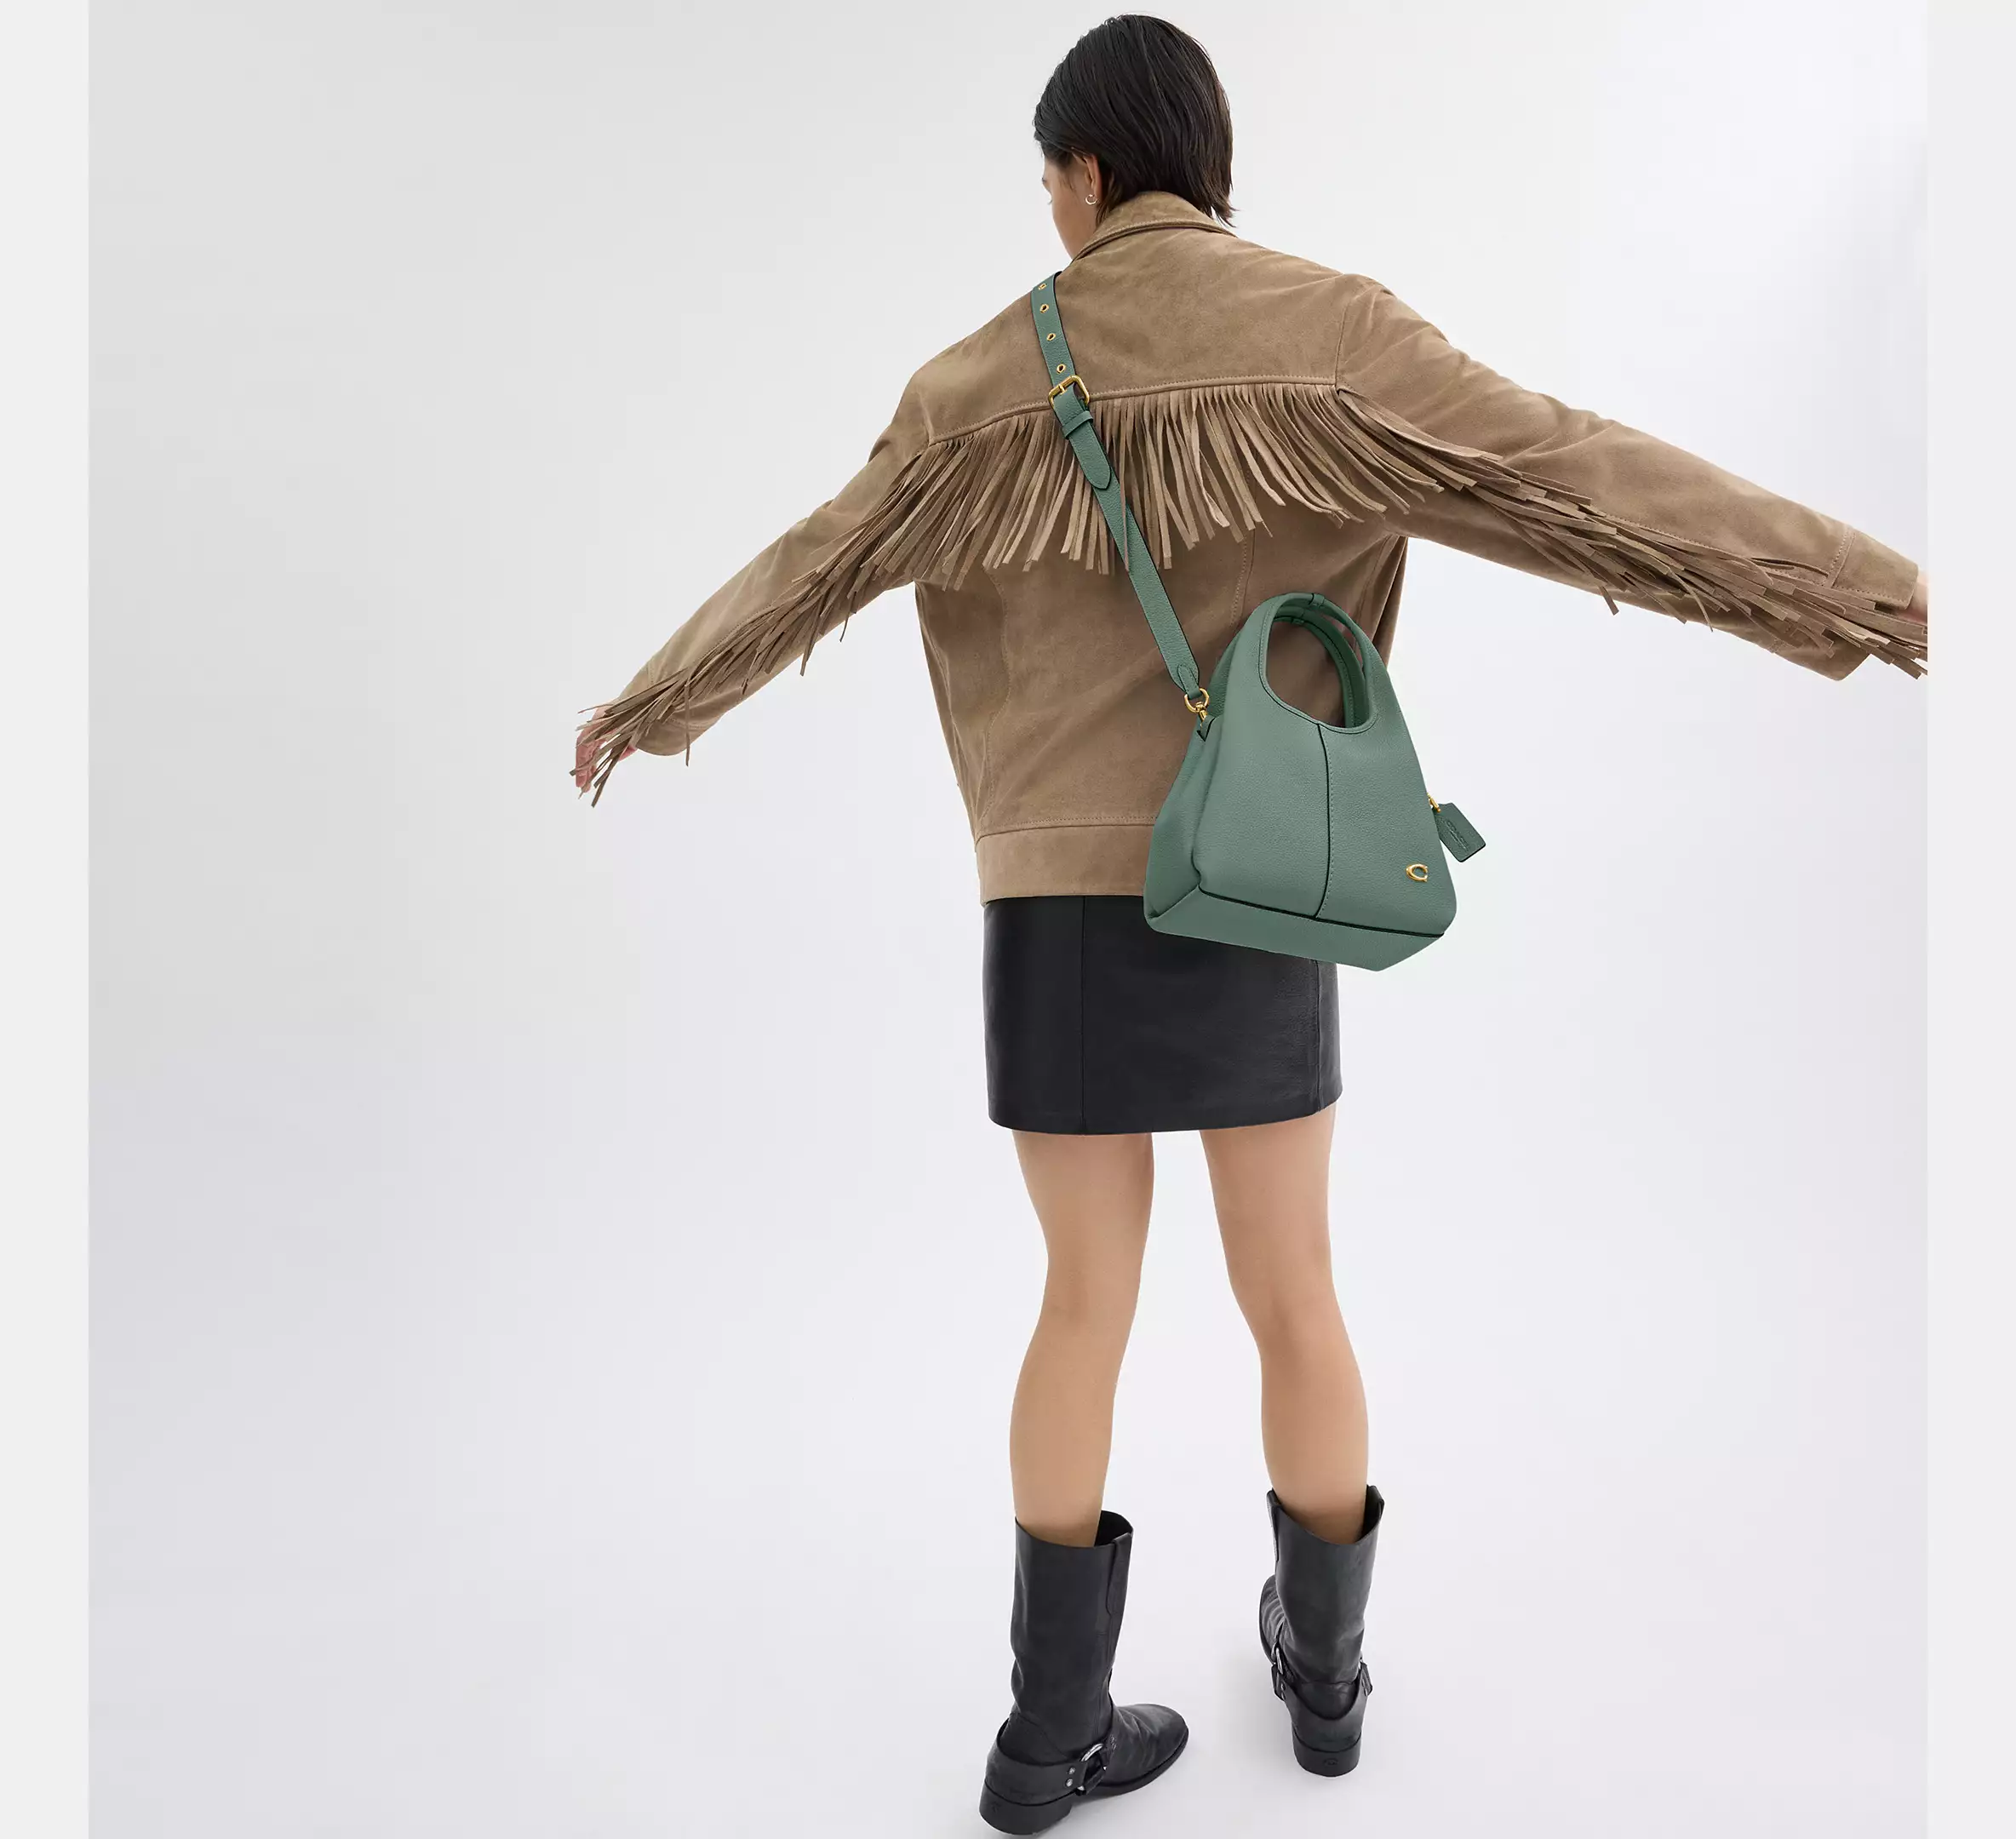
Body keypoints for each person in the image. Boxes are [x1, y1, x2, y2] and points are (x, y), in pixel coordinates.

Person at [575, 16, 1927, 1832]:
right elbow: (1578, 475)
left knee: (1078, 1302)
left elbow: (810, 565)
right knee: (1294, 1290)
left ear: (1081, 172)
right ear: (1206, 163)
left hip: (1054, 908)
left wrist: (650, 705)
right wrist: (1872, 595)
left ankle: (1047, 1738)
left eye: (1046, 181)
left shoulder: (971, 385)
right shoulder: (1331, 336)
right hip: (1255, 882)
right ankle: (1327, 1686)